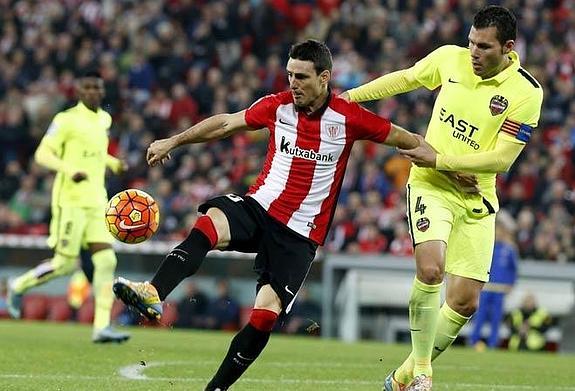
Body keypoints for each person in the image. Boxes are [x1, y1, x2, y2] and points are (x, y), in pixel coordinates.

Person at [113, 39, 420, 391]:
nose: (293, 83)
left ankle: (216, 389)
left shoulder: (349, 118)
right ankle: (154, 291)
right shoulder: (277, 107)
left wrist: (448, 165)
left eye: (302, 77)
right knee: (210, 220)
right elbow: (226, 124)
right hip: (259, 208)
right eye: (289, 75)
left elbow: (405, 138)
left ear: (325, 78)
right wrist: (174, 141)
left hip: (300, 235)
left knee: (264, 315)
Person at [343, 6, 543, 391]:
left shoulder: (526, 92)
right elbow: (404, 79)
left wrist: (442, 158)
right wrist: (349, 97)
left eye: (484, 47)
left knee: (466, 302)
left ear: (508, 48)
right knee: (431, 269)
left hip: (476, 199)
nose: (473, 53)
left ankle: (401, 377)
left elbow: (502, 159)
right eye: (471, 43)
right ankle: (422, 373)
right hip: (430, 184)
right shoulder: (449, 58)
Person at [6, 71, 130, 344]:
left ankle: (101, 327)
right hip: (70, 202)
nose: (92, 92)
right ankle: (18, 285)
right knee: (64, 265)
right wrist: (68, 168)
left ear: (102, 91)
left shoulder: (103, 119)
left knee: (107, 260)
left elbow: (95, 154)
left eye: (96, 88)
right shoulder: (65, 120)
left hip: (97, 202)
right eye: (86, 88)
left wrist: (113, 163)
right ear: (78, 92)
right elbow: (42, 153)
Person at [469, 209, 519, 350]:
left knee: (496, 318)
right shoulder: (487, 246)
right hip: (486, 287)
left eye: (500, 231)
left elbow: (514, 270)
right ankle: (473, 341)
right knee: (480, 315)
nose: (498, 234)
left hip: (500, 288)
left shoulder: (509, 249)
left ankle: (492, 344)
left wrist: (511, 285)